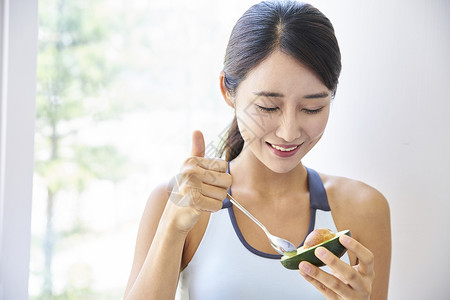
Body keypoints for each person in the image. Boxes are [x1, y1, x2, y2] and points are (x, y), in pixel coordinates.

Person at [123, 1, 391, 299]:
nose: (289, 131)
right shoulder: (174, 200)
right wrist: (172, 226)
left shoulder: (364, 208)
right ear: (228, 90)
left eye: (312, 108)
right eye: (267, 107)